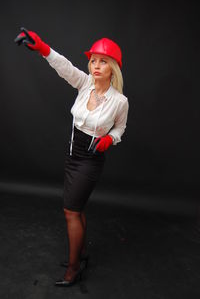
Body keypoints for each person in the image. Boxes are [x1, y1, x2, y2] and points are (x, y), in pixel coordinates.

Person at [14, 28, 129, 287]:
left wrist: (110, 139)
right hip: (72, 155)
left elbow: (120, 128)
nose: (96, 66)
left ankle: (75, 267)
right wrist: (43, 48)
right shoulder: (85, 83)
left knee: (70, 211)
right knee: (76, 210)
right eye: (93, 60)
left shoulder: (120, 101)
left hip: (90, 159)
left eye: (103, 61)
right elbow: (64, 66)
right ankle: (81, 254)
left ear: (113, 68)